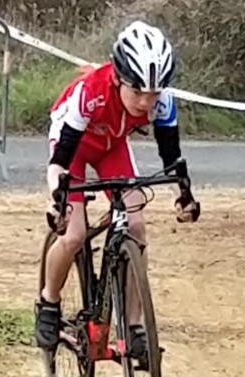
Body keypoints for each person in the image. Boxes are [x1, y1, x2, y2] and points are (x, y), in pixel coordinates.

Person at [35, 20, 197, 354]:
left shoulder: (162, 102)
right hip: (74, 149)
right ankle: (48, 302)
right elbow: (59, 161)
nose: (145, 102)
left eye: (153, 93)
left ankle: (134, 324)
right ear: (118, 78)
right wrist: (57, 199)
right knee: (75, 233)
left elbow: (172, 157)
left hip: (111, 146)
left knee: (136, 224)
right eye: (137, 92)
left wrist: (184, 194)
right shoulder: (90, 93)